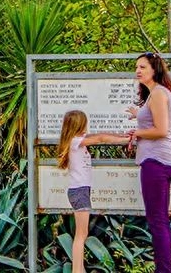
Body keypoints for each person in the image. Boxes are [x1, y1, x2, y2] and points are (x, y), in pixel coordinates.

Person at [126, 52, 171, 273]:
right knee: (158, 220)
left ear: (155, 69)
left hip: (156, 161)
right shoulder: (157, 93)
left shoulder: (158, 93)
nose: (138, 71)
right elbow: (155, 121)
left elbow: (161, 130)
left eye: (143, 67)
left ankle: (164, 270)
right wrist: (138, 115)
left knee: (157, 221)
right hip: (160, 160)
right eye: (136, 67)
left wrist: (136, 132)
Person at [57, 110, 132, 273]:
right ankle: (77, 270)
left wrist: (123, 135)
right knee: (81, 234)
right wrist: (126, 140)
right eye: (84, 123)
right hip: (79, 191)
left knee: (82, 233)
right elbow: (101, 138)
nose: (86, 126)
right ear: (78, 125)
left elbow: (99, 135)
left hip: (80, 190)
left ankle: (79, 269)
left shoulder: (76, 140)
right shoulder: (75, 141)